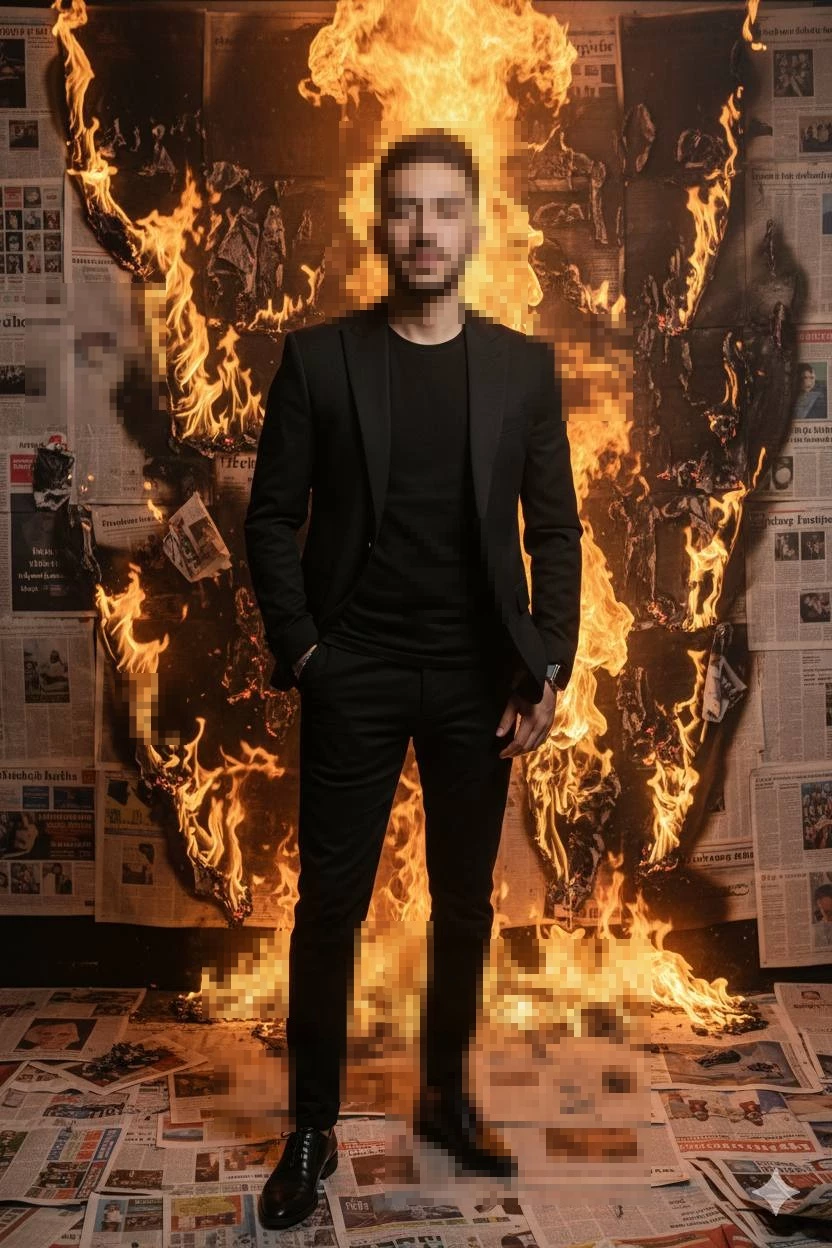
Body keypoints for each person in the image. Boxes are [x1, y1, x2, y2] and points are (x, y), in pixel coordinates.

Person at [245, 129, 582, 1229]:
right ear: (379, 226)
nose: (426, 229)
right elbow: (270, 520)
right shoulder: (323, 360)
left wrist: (547, 666)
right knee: (330, 909)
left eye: (445, 208)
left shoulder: (525, 369)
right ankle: (310, 1129)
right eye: (405, 209)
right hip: (356, 673)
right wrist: (305, 655)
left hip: (477, 684)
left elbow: (557, 532)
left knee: (463, 907)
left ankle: (442, 1098)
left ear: (476, 223)